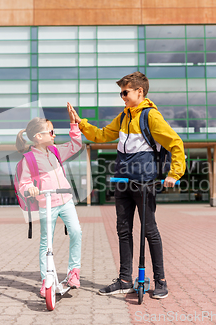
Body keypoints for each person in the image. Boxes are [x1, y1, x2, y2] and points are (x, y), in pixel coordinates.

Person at [70, 71, 186, 299]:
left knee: (149, 231)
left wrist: (175, 173)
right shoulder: (123, 117)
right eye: (121, 93)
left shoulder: (151, 116)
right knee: (123, 231)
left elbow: (175, 143)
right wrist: (80, 123)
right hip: (122, 181)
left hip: (144, 183)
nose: (122, 96)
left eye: (125, 92)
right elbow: (102, 135)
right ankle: (124, 279)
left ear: (139, 91)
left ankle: (160, 280)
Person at [16, 103, 83, 298]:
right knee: (46, 243)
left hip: (66, 200)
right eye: (51, 132)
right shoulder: (28, 159)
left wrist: (73, 124)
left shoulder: (55, 151)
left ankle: (73, 272)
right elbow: (23, 183)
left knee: (76, 232)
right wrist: (30, 189)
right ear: (39, 137)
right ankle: (47, 278)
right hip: (46, 203)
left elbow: (76, 145)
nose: (54, 135)